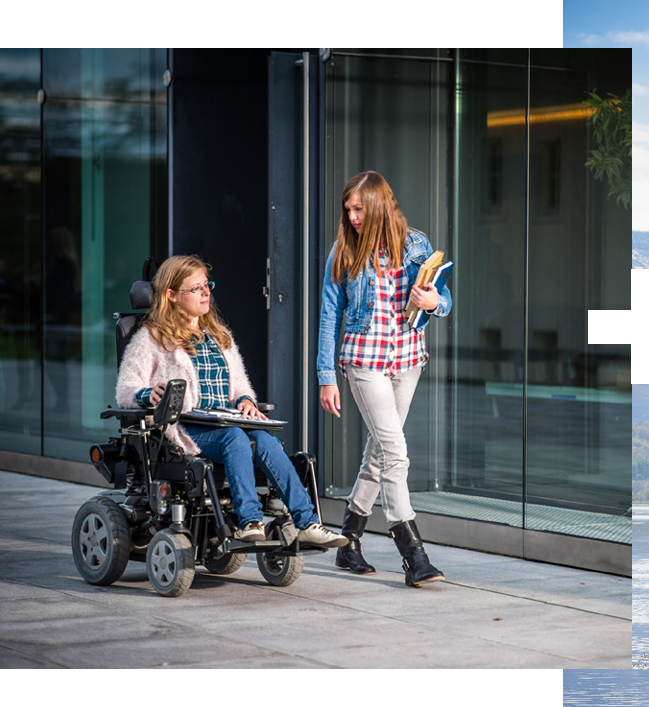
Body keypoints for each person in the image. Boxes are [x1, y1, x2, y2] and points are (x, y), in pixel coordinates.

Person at [117, 255, 345, 548]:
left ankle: (308, 523)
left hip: (224, 420)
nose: (206, 292)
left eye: (207, 285)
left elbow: (239, 386)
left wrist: (247, 400)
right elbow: (126, 388)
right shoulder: (151, 337)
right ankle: (249, 521)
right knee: (235, 438)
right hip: (184, 429)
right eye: (195, 288)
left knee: (266, 442)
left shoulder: (219, 335)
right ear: (171, 295)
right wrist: (148, 394)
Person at [317, 171, 452, 586]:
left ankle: (349, 541)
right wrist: (326, 376)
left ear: (378, 204)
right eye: (348, 210)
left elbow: (442, 299)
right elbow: (328, 315)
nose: (352, 216)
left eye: (359, 208)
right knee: (395, 452)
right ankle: (412, 553)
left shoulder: (416, 244)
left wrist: (434, 302)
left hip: (407, 359)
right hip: (364, 362)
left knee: (378, 455)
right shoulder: (345, 251)